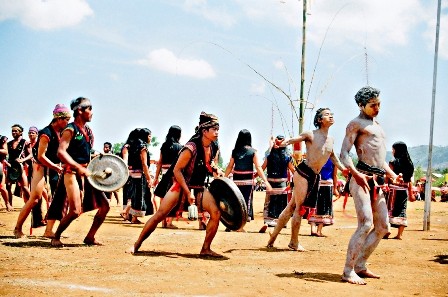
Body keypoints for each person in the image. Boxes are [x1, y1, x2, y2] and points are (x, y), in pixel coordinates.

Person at [129, 112, 223, 257]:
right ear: (204, 131)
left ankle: (206, 248)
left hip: (199, 187)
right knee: (160, 215)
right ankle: (136, 245)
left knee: (216, 213)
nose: (217, 132)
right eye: (214, 129)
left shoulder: (213, 147)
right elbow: (177, 171)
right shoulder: (190, 148)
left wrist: (216, 169)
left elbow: (209, 164)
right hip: (180, 186)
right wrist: (186, 192)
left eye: (218, 129)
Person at [340, 86, 402, 285]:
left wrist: (392, 175)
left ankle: (361, 264)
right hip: (362, 178)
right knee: (366, 224)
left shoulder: (379, 126)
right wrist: (356, 175)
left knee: (383, 226)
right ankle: (348, 270)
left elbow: (380, 159)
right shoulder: (355, 124)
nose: (377, 108)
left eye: (379, 104)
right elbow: (344, 154)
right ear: (361, 105)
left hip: (378, 180)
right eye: (373, 105)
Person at [266, 108, 346, 251]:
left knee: (291, 206)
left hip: (315, 176)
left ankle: (273, 238)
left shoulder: (331, 140)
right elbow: (293, 139)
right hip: (304, 172)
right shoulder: (310, 134)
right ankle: (293, 242)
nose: (331, 116)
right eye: (327, 115)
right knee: (299, 208)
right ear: (320, 120)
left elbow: (333, 157)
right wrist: (282, 143)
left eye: (331, 114)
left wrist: (343, 169)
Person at [51, 97, 110, 247]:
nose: (91, 112)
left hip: (87, 172)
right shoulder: (70, 129)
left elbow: (85, 152)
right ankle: (56, 236)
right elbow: (61, 152)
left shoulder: (88, 131)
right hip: (71, 173)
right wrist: (78, 167)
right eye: (89, 109)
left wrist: (96, 157)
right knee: (75, 211)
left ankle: (90, 237)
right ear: (79, 110)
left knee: (105, 206)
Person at [13, 106, 71, 238]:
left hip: (53, 167)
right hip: (40, 166)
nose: (67, 122)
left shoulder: (60, 132)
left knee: (56, 198)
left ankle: (48, 230)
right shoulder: (46, 133)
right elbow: (41, 156)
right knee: (34, 199)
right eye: (66, 119)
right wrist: (56, 167)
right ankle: (17, 228)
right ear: (59, 119)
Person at [224, 129, 272, 232]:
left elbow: (230, 166)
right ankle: (240, 226)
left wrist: (224, 177)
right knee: (245, 203)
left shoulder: (235, 151)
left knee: (235, 202)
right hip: (248, 182)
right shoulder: (253, 151)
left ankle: (232, 224)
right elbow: (258, 167)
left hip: (236, 181)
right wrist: (265, 181)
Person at [259, 135, 294, 233]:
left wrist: (254, 175)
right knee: (281, 203)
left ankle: (268, 221)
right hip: (282, 184)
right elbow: (292, 170)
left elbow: (262, 168)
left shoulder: (269, 157)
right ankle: (281, 222)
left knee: (269, 203)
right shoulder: (287, 158)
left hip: (271, 183)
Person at [383, 141, 415, 240]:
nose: (392, 151)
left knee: (389, 210)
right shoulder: (410, 164)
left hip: (393, 190)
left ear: (397, 150)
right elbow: (409, 181)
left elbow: (388, 176)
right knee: (402, 210)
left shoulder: (393, 162)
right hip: (404, 191)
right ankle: (399, 235)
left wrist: (385, 183)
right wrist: (411, 193)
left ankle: (387, 232)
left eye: (393, 149)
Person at [153, 125, 183, 229]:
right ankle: (169, 222)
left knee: (163, 197)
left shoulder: (164, 146)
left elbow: (160, 162)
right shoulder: (180, 147)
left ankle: (163, 221)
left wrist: (156, 178)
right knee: (172, 199)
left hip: (164, 174)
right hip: (174, 176)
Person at [124, 128, 154, 224]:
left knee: (134, 196)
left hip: (132, 173)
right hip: (140, 174)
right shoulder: (143, 147)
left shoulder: (132, 146)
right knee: (139, 196)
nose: (150, 138)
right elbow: (144, 164)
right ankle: (134, 217)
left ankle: (129, 214)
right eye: (149, 136)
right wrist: (149, 178)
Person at [308, 158, 339, 237]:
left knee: (314, 206)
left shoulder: (317, 156)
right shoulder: (333, 159)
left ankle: (313, 229)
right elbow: (334, 175)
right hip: (327, 185)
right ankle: (319, 231)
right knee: (325, 208)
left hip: (316, 184)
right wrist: (335, 189)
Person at [5, 124, 31, 208]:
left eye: (16, 131)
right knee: (8, 186)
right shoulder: (9, 144)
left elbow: (31, 155)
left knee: (25, 187)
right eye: (12, 131)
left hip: (21, 167)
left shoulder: (25, 142)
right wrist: (6, 162)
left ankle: (32, 203)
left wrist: (22, 160)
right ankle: (10, 205)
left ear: (21, 132)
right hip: (10, 167)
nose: (13, 132)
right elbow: (4, 155)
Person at [0, 135, 12, 211]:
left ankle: (7, 203)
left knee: (2, 187)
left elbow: (5, 151)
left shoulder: (2, 138)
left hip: (0, 166)